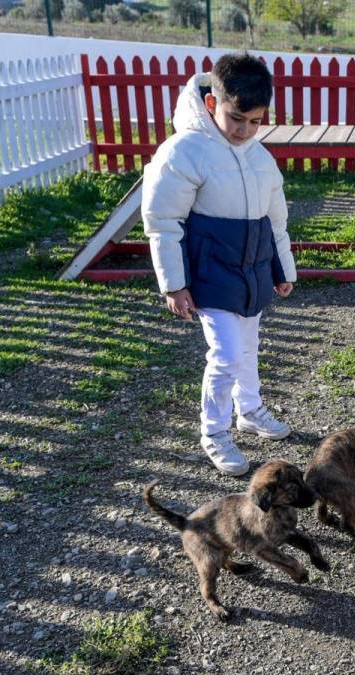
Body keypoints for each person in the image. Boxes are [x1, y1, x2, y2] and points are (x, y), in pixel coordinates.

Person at [141, 53, 295, 477]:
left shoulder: (259, 156)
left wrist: (282, 270)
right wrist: (174, 284)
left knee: (248, 348)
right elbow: (162, 221)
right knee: (226, 354)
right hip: (211, 273)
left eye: (255, 121)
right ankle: (214, 431)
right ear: (212, 104)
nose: (245, 130)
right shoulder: (183, 152)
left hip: (252, 272)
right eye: (236, 119)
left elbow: (275, 218)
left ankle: (250, 409)